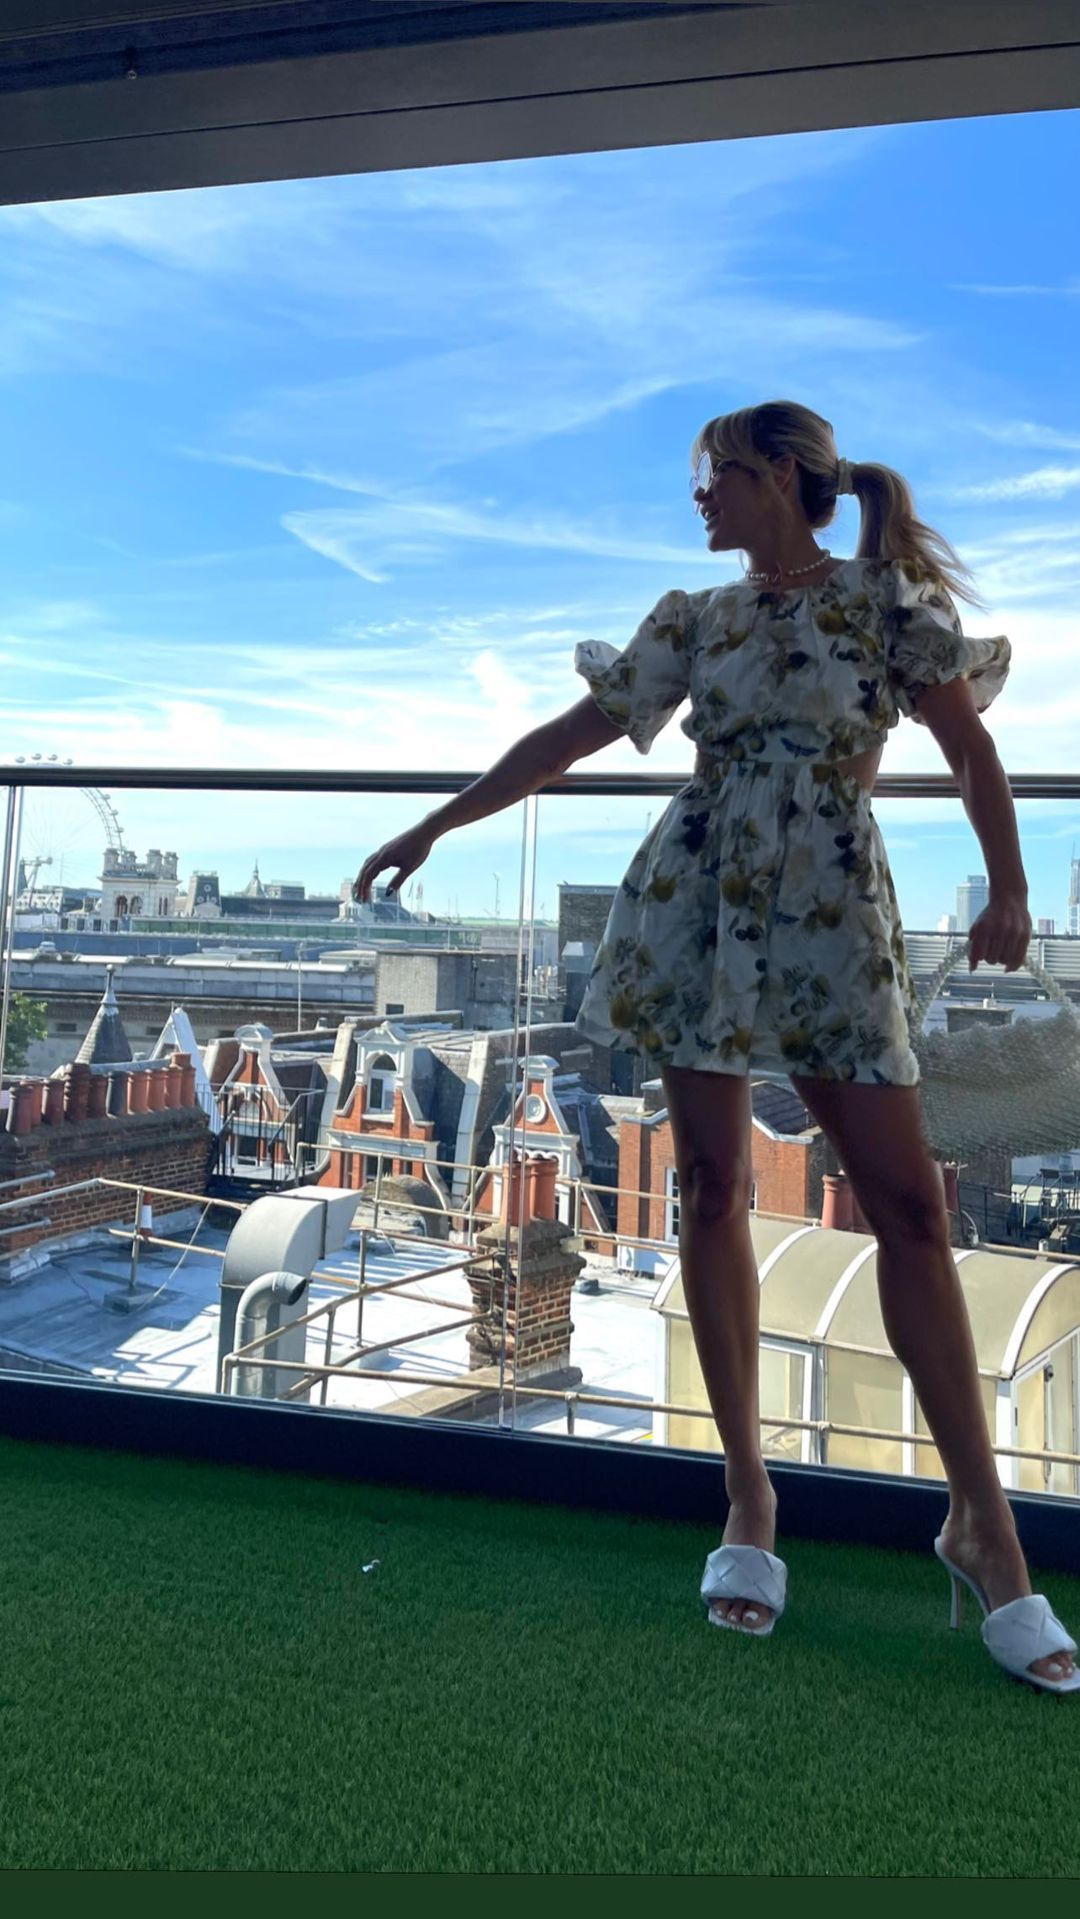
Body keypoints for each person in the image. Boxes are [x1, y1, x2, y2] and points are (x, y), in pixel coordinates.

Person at [355, 398, 1078, 1694]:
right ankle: (750, 1496)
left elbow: (969, 745)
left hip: (833, 917)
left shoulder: (885, 603)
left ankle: (987, 1525)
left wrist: (1011, 886)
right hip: (696, 906)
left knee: (912, 1207)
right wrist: (440, 824)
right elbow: (567, 739)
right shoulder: (697, 618)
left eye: (721, 474)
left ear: (784, 478)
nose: (701, 496)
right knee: (709, 1187)